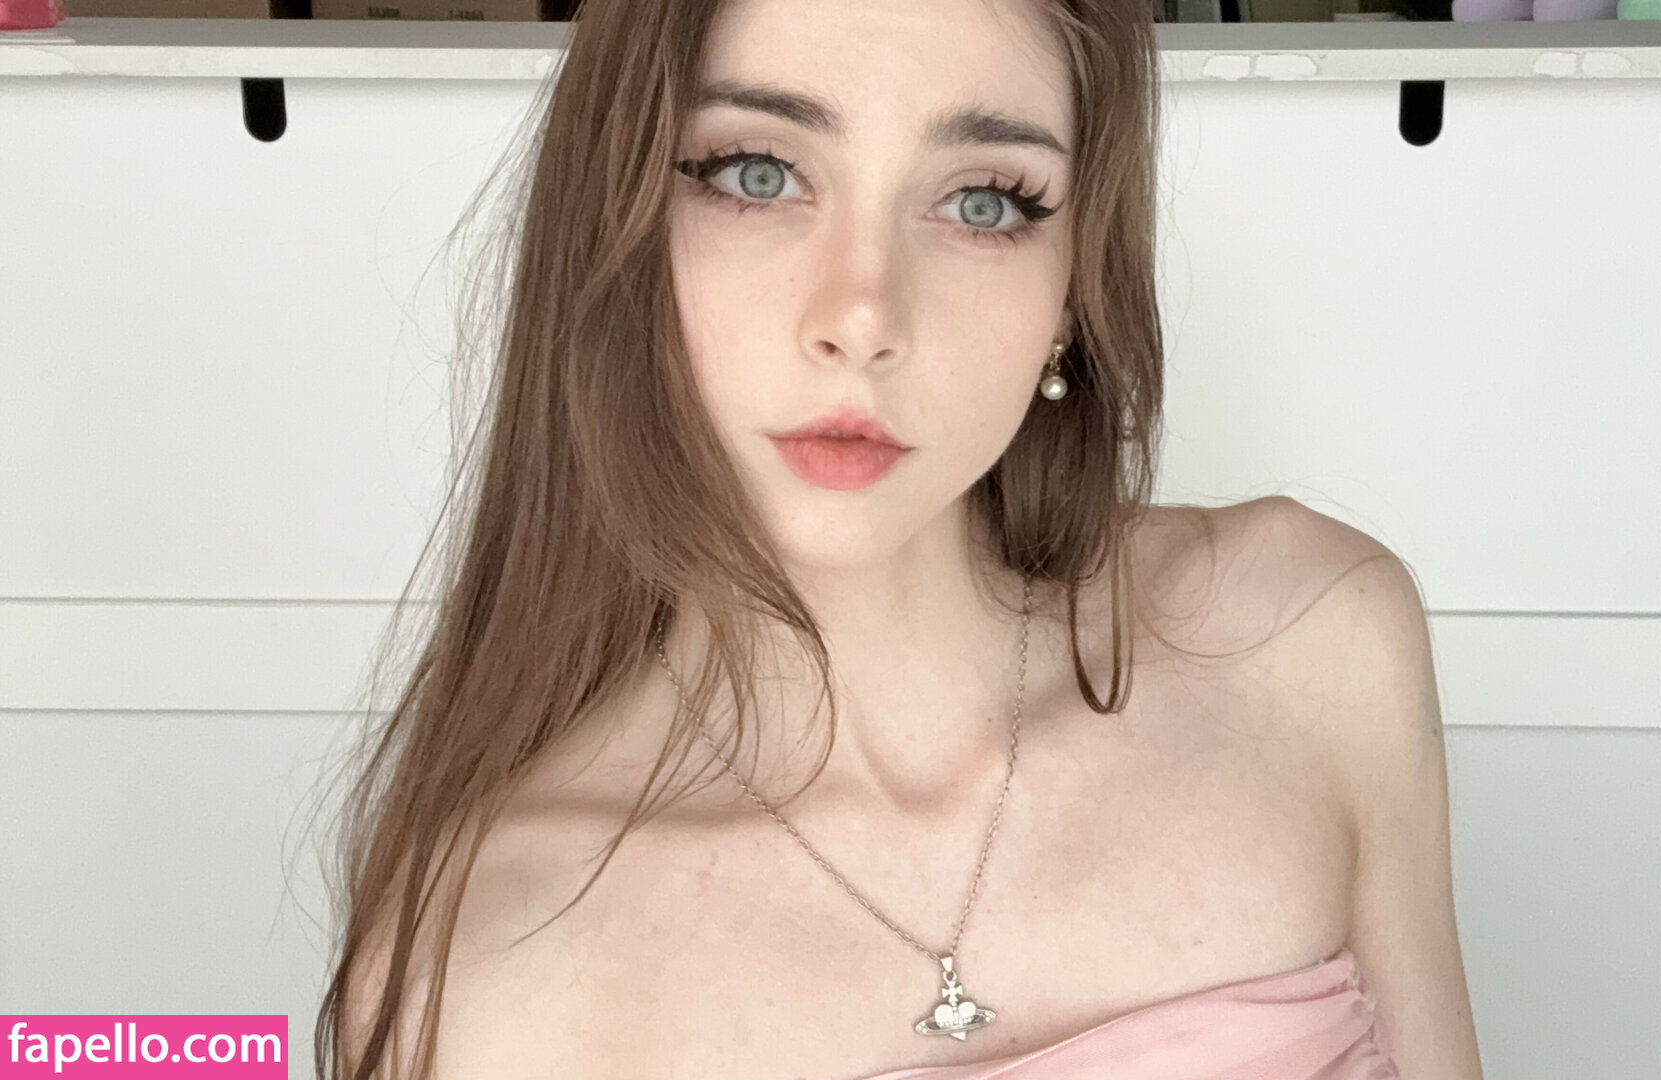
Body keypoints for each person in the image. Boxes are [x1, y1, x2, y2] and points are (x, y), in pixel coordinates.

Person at [315, 0, 1483, 1077]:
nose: (863, 317)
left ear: (1074, 285)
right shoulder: (486, 959)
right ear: (616, 221)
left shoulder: (1312, 641)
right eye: (759, 173)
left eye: (984, 201)